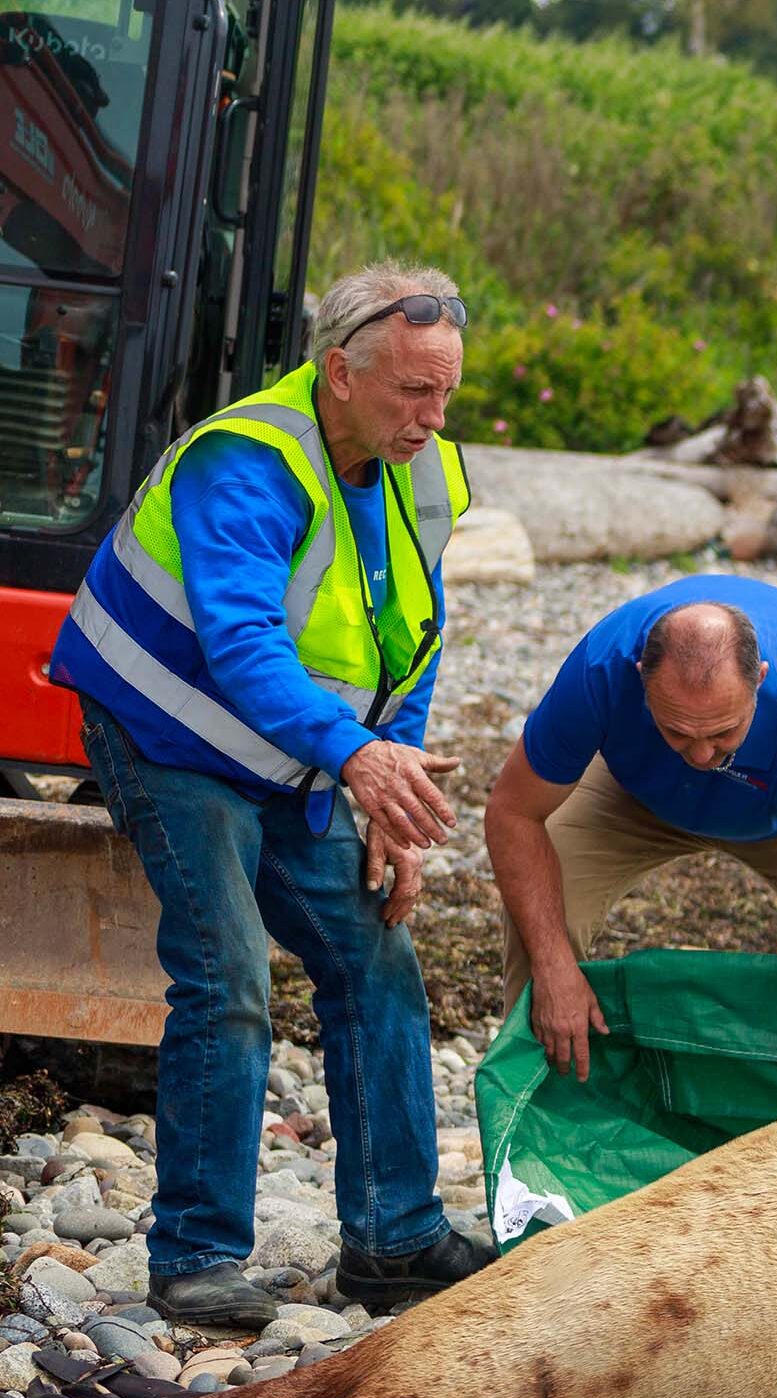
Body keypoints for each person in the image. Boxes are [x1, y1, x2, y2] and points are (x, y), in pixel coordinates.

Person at [50, 260, 490, 1328]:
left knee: (376, 959)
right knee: (229, 969)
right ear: (340, 371)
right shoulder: (245, 460)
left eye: (445, 393)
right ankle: (196, 1253)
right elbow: (243, 643)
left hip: (295, 752)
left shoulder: (419, 471)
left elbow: (409, 642)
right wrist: (355, 757)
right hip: (167, 736)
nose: (432, 419)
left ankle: (394, 1235)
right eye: (411, 393)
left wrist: (395, 784)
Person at [484, 576, 777, 1112]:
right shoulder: (601, 670)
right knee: (540, 925)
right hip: (635, 793)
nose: (702, 756)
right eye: (678, 730)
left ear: (760, 682)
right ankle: (535, 1123)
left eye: (723, 733)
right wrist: (554, 970)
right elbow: (512, 812)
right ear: (641, 679)